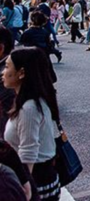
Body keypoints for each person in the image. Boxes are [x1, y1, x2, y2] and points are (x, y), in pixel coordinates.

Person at [2, 47, 61, 200]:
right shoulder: (32, 101)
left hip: (36, 181)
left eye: (7, 67)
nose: (3, 72)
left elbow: (28, 152)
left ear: (21, 73)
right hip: (39, 177)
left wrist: (24, 186)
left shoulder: (29, 108)